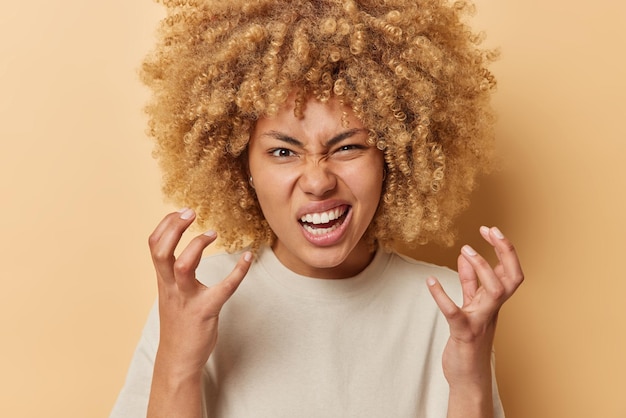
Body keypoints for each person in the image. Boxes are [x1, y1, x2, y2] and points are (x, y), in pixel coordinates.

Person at [111, 0, 524, 417]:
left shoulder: (451, 306)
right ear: (241, 167)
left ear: (393, 157)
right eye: (283, 151)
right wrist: (179, 363)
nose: (317, 180)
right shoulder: (198, 296)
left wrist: (469, 379)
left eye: (347, 147)